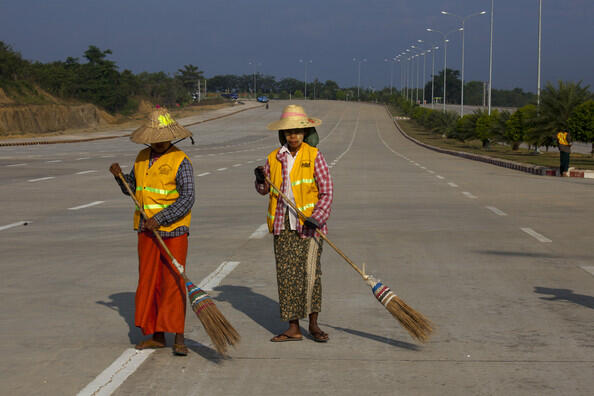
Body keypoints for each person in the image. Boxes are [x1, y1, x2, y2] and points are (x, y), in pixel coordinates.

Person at [109, 108, 195, 356]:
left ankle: (178, 335)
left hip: (174, 231)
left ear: (171, 136)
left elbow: (188, 198)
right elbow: (133, 190)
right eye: (154, 138)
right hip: (146, 232)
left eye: (163, 137)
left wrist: (161, 218)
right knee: (150, 282)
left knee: (174, 282)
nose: (158, 142)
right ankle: (157, 335)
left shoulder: (181, 161)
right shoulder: (141, 157)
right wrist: (119, 178)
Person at [254, 104, 333, 342]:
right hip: (283, 226)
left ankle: (314, 324)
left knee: (310, 275)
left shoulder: (314, 156)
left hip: (309, 228)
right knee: (287, 276)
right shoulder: (274, 158)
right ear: (283, 134)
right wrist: (259, 180)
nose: (294, 136)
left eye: (298, 131)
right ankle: (293, 327)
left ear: (306, 133)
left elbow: (326, 192)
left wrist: (316, 218)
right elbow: (264, 190)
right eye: (289, 132)